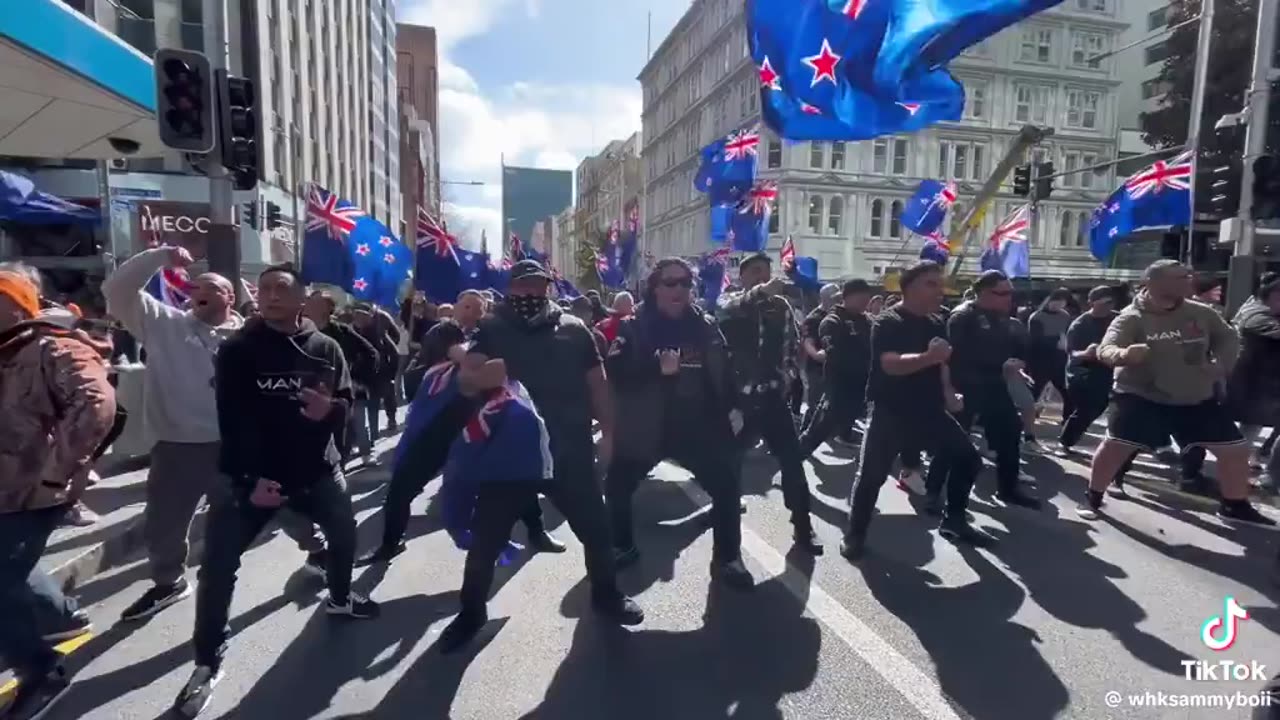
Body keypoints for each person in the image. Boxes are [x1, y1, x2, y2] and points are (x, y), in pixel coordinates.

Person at [174, 265, 379, 717]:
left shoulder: (326, 348)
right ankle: (207, 663)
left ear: (303, 298)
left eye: (280, 289)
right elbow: (234, 419)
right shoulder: (238, 350)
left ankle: (341, 599)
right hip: (248, 480)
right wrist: (252, 479)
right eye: (263, 289)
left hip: (317, 473)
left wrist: (332, 410)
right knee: (217, 569)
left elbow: (344, 404)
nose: (269, 296)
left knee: (345, 536)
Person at [102, 247, 329, 622]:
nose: (198, 290)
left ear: (230, 296)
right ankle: (169, 582)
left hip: (244, 443)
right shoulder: (162, 323)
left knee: (279, 504)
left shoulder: (253, 335)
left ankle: (317, 548)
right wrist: (161, 256)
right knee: (165, 520)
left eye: (211, 286)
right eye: (194, 287)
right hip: (180, 446)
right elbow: (117, 290)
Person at [458, 260, 644, 636]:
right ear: (511, 289)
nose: (530, 294)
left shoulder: (575, 330)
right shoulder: (491, 330)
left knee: (596, 530)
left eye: (537, 286)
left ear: (548, 288)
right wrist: (479, 377)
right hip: (511, 455)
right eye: (522, 287)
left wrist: (609, 434)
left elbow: (599, 385)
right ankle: (471, 613)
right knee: (486, 540)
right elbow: (465, 382)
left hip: (568, 451)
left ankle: (606, 596)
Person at [360, 290, 564, 565]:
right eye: (466, 306)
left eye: (478, 308)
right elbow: (467, 359)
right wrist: (491, 355)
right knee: (402, 485)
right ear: (455, 308)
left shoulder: (494, 333)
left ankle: (537, 532)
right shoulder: (444, 331)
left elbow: (508, 367)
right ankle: (390, 542)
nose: (471, 312)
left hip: (486, 420)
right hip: (443, 421)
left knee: (514, 480)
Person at [0, 270, 116, 720]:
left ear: (15, 304)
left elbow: (96, 404)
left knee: (1, 576)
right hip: (7, 489)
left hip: (37, 490)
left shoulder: (52, 346)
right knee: (11, 566)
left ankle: (40, 669)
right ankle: (61, 617)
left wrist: (58, 471)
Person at [1079, 260, 1272, 525]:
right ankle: (1093, 496)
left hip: (1194, 398)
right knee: (1116, 447)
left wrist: (1222, 364)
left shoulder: (1201, 312)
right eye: (1181, 277)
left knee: (1235, 451)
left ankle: (1234, 505)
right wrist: (1124, 355)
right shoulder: (1132, 317)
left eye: (1188, 276)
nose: (1189, 281)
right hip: (1141, 396)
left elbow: (1228, 337)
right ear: (1155, 283)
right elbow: (1105, 349)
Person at [603, 258, 753, 587]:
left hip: (696, 427)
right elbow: (613, 373)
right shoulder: (635, 326)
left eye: (685, 283)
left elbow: (724, 372)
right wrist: (654, 367)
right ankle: (622, 546)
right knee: (617, 486)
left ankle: (729, 558)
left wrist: (735, 408)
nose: (680, 289)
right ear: (655, 288)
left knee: (727, 487)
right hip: (647, 427)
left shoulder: (706, 324)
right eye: (671, 283)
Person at [844, 261, 986, 560]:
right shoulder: (888, 321)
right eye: (931, 284)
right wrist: (928, 356)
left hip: (930, 410)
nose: (939, 290)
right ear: (909, 287)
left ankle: (955, 521)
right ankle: (855, 535)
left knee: (969, 459)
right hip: (891, 410)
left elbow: (941, 364)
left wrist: (949, 393)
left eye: (940, 284)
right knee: (871, 476)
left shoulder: (937, 322)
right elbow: (890, 364)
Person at [717, 253, 822, 554]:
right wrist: (759, 293)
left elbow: (792, 343)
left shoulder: (782, 306)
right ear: (744, 276)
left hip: (773, 397)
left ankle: (803, 526)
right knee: (728, 465)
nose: (764, 276)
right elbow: (726, 312)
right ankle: (722, 520)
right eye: (757, 272)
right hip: (739, 400)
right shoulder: (731, 301)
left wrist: (789, 373)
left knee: (792, 461)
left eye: (767, 271)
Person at [940, 270, 1040, 511]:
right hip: (967, 386)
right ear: (984, 292)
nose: (1008, 298)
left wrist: (1016, 363)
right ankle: (936, 493)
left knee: (1010, 431)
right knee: (954, 441)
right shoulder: (962, 316)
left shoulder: (1002, 318)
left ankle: (1008, 489)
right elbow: (957, 355)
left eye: (1010, 293)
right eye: (1002, 293)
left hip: (995, 385)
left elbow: (1011, 348)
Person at [302, 292, 379, 464]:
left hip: (342, 390)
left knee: (349, 427)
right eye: (310, 302)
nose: (310, 305)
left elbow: (371, 354)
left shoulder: (341, 331)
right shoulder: (300, 329)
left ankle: (348, 460)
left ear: (328, 307)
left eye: (317, 303)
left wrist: (357, 378)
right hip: (310, 391)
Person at [799, 279, 872, 457]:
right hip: (839, 388)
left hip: (864, 388)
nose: (865, 302)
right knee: (817, 432)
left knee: (875, 435)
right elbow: (834, 354)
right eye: (861, 298)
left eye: (867, 298)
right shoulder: (832, 321)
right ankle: (792, 465)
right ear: (847, 297)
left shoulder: (868, 321)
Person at [1226, 273, 1280, 489]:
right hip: (1252, 384)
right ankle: (1233, 473)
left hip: (1263, 385)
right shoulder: (1256, 314)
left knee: (1250, 430)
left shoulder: (1265, 312)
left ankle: (1239, 470)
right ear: (1273, 295)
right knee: (1245, 432)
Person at [1058, 286, 1120, 457]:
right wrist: (1086, 353)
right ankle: (1066, 441)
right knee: (1088, 408)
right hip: (1085, 372)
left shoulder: (1118, 319)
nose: (1108, 305)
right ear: (1092, 303)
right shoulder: (1080, 324)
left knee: (1115, 407)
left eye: (1111, 302)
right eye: (1104, 302)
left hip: (1112, 369)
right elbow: (1072, 352)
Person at [1178, 277, 1227, 491]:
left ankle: (1190, 476)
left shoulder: (1211, 312)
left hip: (1199, 386)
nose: (1219, 293)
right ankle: (1115, 476)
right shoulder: (1189, 313)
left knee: (1195, 437)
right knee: (1134, 436)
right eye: (1216, 289)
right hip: (1173, 384)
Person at [1026, 288, 1075, 428]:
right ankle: (1026, 422)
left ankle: (1067, 422)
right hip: (1040, 361)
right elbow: (1035, 340)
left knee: (1067, 392)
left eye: (1062, 302)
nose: (1059, 304)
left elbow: (1068, 333)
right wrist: (1055, 342)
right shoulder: (1037, 317)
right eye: (1056, 301)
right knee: (1034, 392)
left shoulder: (1065, 316)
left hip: (1060, 360)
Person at [352, 304, 400, 442]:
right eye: (357, 315)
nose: (359, 318)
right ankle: (361, 437)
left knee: (376, 404)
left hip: (379, 375)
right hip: (360, 376)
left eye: (363, 315)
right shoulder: (352, 331)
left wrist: (391, 373)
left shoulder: (379, 330)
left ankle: (374, 434)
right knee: (360, 408)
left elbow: (394, 352)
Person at [799, 283, 840, 433]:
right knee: (814, 403)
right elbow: (807, 341)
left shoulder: (836, 316)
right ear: (825, 298)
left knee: (828, 402)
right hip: (816, 368)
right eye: (835, 298)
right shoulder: (814, 318)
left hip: (832, 367)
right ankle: (805, 433)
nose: (838, 300)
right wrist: (817, 355)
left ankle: (824, 431)